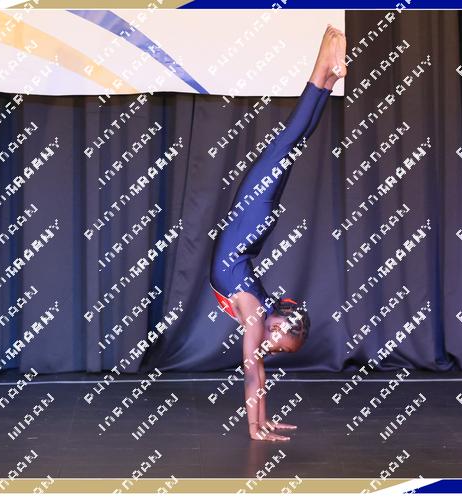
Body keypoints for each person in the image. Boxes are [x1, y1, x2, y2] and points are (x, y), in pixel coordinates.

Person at [209, 25, 347, 441]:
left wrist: (262, 419)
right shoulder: (256, 314)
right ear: (276, 326)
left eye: (277, 348)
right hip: (253, 214)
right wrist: (256, 426)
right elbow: (253, 371)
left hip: (254, 217)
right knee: (290, 140)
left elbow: (256, 368)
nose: (270, 347)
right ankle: (323, 68)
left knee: (292, 142)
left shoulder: (259, 312)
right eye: (278, 343)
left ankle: (326, 77)